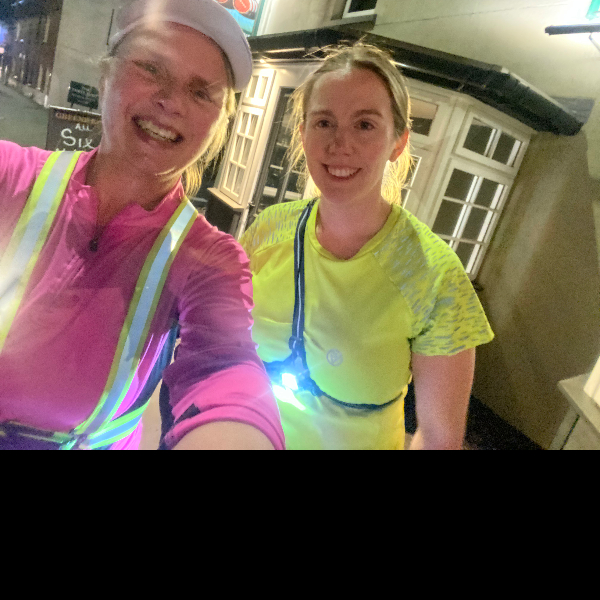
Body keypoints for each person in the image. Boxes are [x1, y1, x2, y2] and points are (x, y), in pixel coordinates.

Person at [0, 0, 285, 451]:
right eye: (152, 68)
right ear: (106, 75)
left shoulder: (210, 260)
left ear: (220, 123)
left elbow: (225, 367)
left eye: (201, 92)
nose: (170, 102)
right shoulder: (11, 174)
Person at [240, 43, 495, 450]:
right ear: (302, 133)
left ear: (398, 142)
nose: (340, 144)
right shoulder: (268, 229)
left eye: (364, 125)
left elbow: (439, 439)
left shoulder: (435, 275)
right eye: (324, 122)